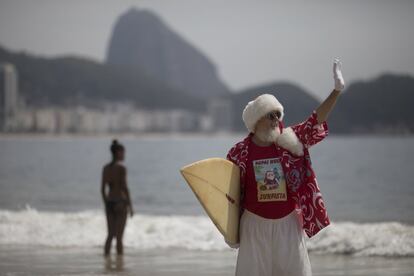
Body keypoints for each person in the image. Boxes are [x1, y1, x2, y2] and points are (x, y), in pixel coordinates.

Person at [226, 59, 345, 276]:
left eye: (277, 114)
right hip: (254, 226)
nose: (275, 120)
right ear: (255, 121)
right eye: (269, 115)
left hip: (288, 225)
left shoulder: (291, 141)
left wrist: (336, 91)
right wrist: (230, 230)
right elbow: (229, 194)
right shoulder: (239, 153)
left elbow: (315, 120)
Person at [101, 139, 134, 256]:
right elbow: (124, 188)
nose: (124, 155)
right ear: (118, 152)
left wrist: (106, 204)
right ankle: (120, 264)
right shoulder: (121, 168)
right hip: (120, 202)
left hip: (109, 203)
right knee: (119, 237)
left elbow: (102, 189)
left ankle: (106, 260)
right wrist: (130, 206)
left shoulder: (106, 168)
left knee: (110, 235)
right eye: (123, 152)